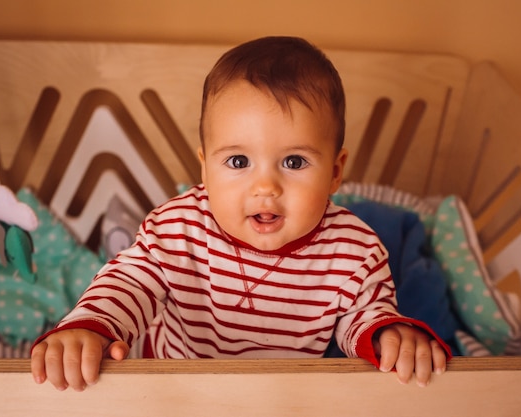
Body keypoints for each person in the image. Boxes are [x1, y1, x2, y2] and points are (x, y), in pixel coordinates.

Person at [31, 36, 451, 392]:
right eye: (237, 162)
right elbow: (130, 282)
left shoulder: (353, 250)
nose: (265, 187)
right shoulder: (179, 227)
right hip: (172, 383)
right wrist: (90, 327)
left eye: (294, 162)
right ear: (204, 168)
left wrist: (390, 335)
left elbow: (364, 315)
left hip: (283, 393)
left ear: (336, 171)